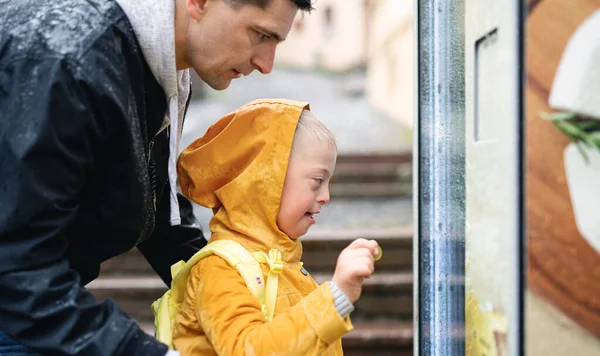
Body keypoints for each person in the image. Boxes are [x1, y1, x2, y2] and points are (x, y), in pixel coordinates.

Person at [0, 0, 313, 355]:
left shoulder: (163, 69)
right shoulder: (68, 58)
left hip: (35, 302)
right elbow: (17, 261)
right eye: (260, 34)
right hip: (19, 306)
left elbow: (153, 196)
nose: (266, 63)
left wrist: (227, 282)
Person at [156, 99, 379, 355]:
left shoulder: (284, 266)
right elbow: (247, 349)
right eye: (317, 181)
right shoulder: (221, 269)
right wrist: (334, 298)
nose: (326, 196)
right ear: (264, 181)